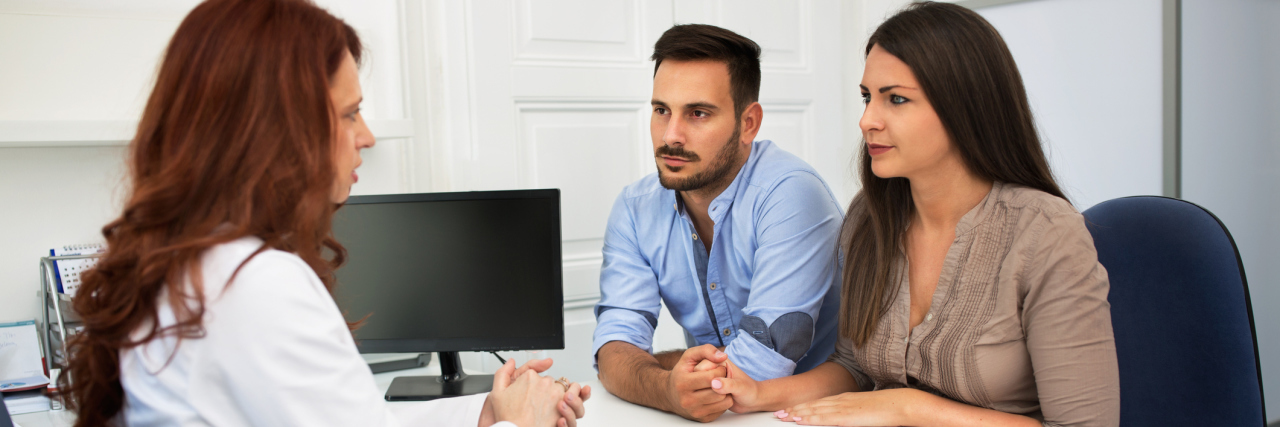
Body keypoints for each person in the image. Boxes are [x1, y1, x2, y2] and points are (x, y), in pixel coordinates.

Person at [58, 1, 588, 426]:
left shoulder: (190, 264)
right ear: (276, 131)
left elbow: (363, 420)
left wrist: (489, 409)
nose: (368, 137)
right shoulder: (253, 285)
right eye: (349, 113)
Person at [704, 3, 1121, 426]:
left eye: (896, 99)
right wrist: (755, 392)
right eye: (868, 97)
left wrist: (908, 407)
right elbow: (854, 367)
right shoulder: (869, 217)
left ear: (966, 106)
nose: (868, 120)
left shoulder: (1046, 234)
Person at [592, 24, 844, 423]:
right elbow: (612, 351)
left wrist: (654, 371)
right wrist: (665, 387)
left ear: (749, 124)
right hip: (722, 416)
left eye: (698, 113)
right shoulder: (635, 208)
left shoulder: (790, 194)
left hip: (817, 411)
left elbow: (758, 366)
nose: (671, 135)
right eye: (661, 110)